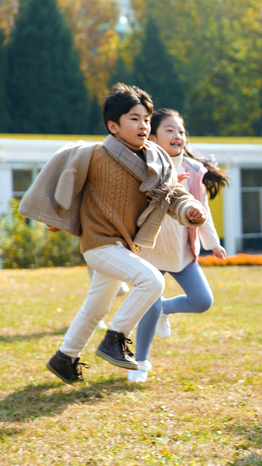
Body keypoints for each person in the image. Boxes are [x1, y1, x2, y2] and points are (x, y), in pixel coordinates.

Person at [19, 83, 207, 384]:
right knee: (152, 280)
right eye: (134, 118)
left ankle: (65, 358)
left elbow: (173, 195)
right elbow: (65, 183)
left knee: (97, 306)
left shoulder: (155, 160)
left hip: (124, 248)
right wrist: (56, 215)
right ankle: (114, 339)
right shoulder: (93, 155)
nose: (144, 125)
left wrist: (189, 211)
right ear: (113, 126)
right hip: (99, 243)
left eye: (146, 119)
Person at [128, 108, 228, 382]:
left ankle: (164, 309)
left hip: (181, 252)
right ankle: (140, 363)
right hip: (150, 252)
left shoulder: (195, 171)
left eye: (181, 131)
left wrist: (213, 244)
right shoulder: (142, 166)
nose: (177, 136)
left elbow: (202, 209)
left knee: (202, 301)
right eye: (169, 130)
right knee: (149, 305)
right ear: (154, 137)